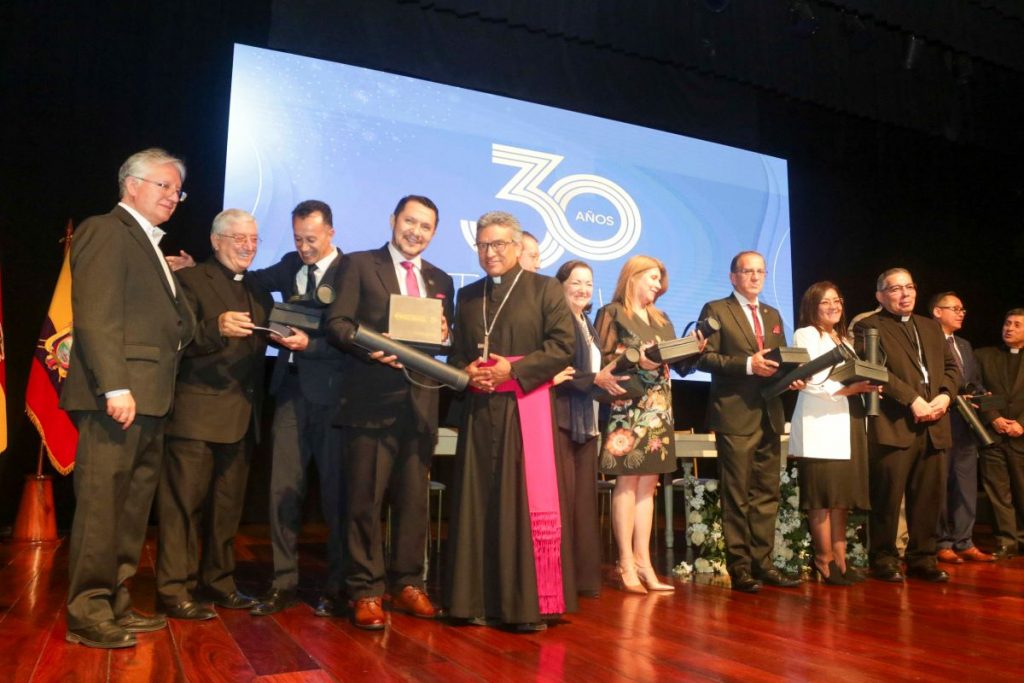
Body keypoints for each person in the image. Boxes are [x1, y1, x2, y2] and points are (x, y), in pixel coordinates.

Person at [60, 148, 196, 648]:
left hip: (152, 399)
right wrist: (116, 385)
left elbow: (176, 325)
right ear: (130, 185)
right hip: (115, 398)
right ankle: (87, 613)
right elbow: (95, 316)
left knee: (131, 508)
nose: (172, 197)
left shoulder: (151, 246)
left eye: (177, 190)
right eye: (162, 186)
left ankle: (114, 601)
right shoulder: (105, 229)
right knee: (101, 508)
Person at [156, 210, 305, 619]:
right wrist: (214, 327)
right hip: (195, 416)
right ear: (216, 239)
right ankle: (174, 590)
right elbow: (174, 338)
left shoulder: (259, 291)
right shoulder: (189, 280)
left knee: (227, 510)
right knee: (183, 508)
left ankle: (218, 583)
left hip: (243, 418)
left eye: (254, 239)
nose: (248, 245)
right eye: (239, 238)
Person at [325, 195, 454, 630]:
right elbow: (337, 324)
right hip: (370, 402)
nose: (416, 232)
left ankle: (408, 582)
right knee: (365, 501)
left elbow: (442, 344)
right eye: (410, 222)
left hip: (420, 406)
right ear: (393, 220)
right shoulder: (360, 265)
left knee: (414, 504)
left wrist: (446, 333)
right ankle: (365, 589)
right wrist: (371, 344)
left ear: (434, 233)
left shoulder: (442, 280)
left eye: (426, 226)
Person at [445, 210, 576, 631]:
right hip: (480, 413)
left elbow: (562, 347)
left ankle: (525, 606)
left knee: (520, 505)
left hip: (525, 412)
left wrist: (512, 371)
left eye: (499, 244)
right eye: (483, 245)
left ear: (518, 247)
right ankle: (473, 601)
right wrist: (466, 371)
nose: (490, 252)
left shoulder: (545, 289)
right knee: (478, 504)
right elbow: (456, 355)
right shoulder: (467, 296)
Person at [248, 200, 349, 617]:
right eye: (297, 238)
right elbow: (247, 279)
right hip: (289, 391)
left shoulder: (354, 273)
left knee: (335, 495)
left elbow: (357, 338)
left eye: (311, 239)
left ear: (331, 233)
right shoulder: (290, 264)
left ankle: (338, 586)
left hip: (334, 396)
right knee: (282, 491)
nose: (304, 247)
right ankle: (283, 582)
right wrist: (197, 269)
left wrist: (313, 344)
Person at [595, 255, 703, 594]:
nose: (658, 285)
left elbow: (680, 366)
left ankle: (645, 562)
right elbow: (599, 361)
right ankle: (625, 561)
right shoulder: (612, 313)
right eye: (653, 278)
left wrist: (695, 351)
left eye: (660, 280)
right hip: (627, 408)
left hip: (659, 409)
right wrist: (633, 357)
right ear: (633, 276)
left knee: (649, 487)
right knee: (627, 483)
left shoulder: (662, 318)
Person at [696, 251, 800, 593]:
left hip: (770, 414)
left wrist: (794, 376)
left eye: (760, 272)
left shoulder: (772, 314)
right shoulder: (716, 310)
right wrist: (746, 365)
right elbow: (704, 358)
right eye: (747, 271)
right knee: (737, 494)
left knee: (767, 494)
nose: (755, 277)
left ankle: (764, 563)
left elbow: (783, 358)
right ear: (733, 277)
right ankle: (740, 567)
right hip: (734, 414)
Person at [855, 268, 959, 583]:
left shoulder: (931, 327)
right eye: (896, 288)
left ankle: (922, 559)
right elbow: (875, 371)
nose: (905, 294)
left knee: (929, 498)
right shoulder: (868, 326)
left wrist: (945, 397)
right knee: (887, 497)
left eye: (910, 287)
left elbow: (953, 367)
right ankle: (884, 559)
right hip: (894, 424)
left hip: (935, 423)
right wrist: (912, 399)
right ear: (880, 296)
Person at [788, 282, 877, 585]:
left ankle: (841, 557)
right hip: (819, 422)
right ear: (812, 306)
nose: (833, 306)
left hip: (847, 419)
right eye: (825, 302)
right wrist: (847, 388)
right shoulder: (806, 334)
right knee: (821, 497)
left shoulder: (844, 338)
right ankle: (823, 559)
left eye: (837, 301)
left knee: (840, 497)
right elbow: (807, 378)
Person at [550, 260, 627, 598]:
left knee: (583, 502)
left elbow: (594, 373)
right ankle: (559, 578)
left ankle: (581, 579)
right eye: (576, 282)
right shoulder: (557, 320)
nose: (582, 289)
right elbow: (558, 369)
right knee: (562, 501)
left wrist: (613, 379)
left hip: (588, 421)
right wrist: (595, 379)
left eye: (588, 283)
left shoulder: (588, 324)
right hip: (561, 418)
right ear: (560, 284)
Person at [931, 292, 995, 564]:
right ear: (937, 311)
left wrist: (981, 396)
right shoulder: (929, 343)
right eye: (954, 308)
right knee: (940, 487)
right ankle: (941, 541)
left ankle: (964, 541)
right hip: (941, 423)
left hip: (968, 427)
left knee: (966, 486)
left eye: (962, 309)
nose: (961, 313)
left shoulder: (965, 346)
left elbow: (975, 381)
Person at [975, 308, 1024, 559]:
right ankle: (1006, 540)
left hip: (1022, 436)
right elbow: (977, 389)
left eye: (1017, 325)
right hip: (993, 436)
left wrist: (1021, 424)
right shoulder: (984, 356)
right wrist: (993, 418)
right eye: (1007, 323)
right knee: (998, 491)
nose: (1010, 328)